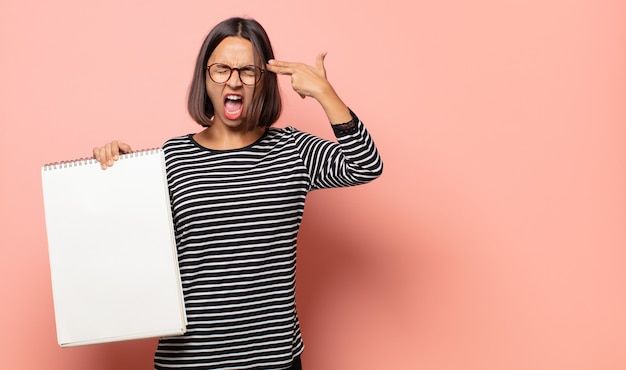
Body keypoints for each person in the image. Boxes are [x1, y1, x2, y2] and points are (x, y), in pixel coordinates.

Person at [93, 17, 382, 370]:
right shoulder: (171, 158)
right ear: (205, 76)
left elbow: (365, 164)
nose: (234, 80)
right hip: (189, 361)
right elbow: (123, 246)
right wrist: (115, 175)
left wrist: (326, 94)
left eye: (249, 71)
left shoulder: (292, 149)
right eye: (222, 69)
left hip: (273, 360)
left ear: (264, 81)